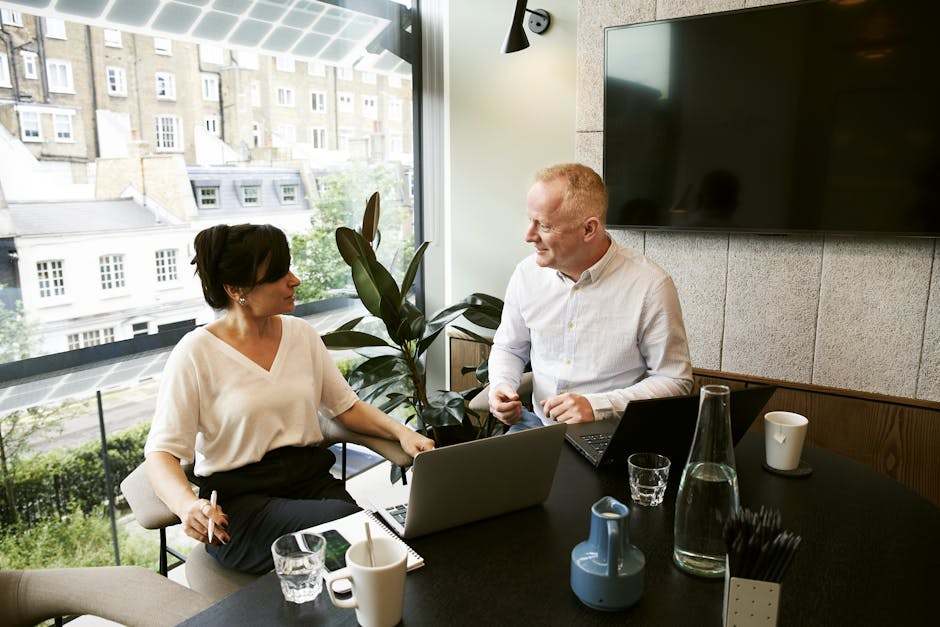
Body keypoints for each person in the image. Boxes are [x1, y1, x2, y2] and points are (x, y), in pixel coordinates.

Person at [145, 223, 433, 575]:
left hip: (313, 486)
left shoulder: (302, 335)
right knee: (358, 537)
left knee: (383, 552)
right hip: (243, 509)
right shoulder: (195, 352)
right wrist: (187, 505)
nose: (294, 280)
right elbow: (161, 453)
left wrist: (403, 433)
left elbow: (346, 408)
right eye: (279, 274)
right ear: (237, 289)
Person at [488, 163, 693, 432]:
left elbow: (674, 379)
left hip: (612, 432)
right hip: (536, 427)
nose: (529, 236)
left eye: (545, 225)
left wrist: (598, 406)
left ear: (589, 229)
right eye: (530, 220)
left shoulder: (651, 285)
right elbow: (509, 347)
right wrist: (502, 384)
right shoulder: (526, 275)